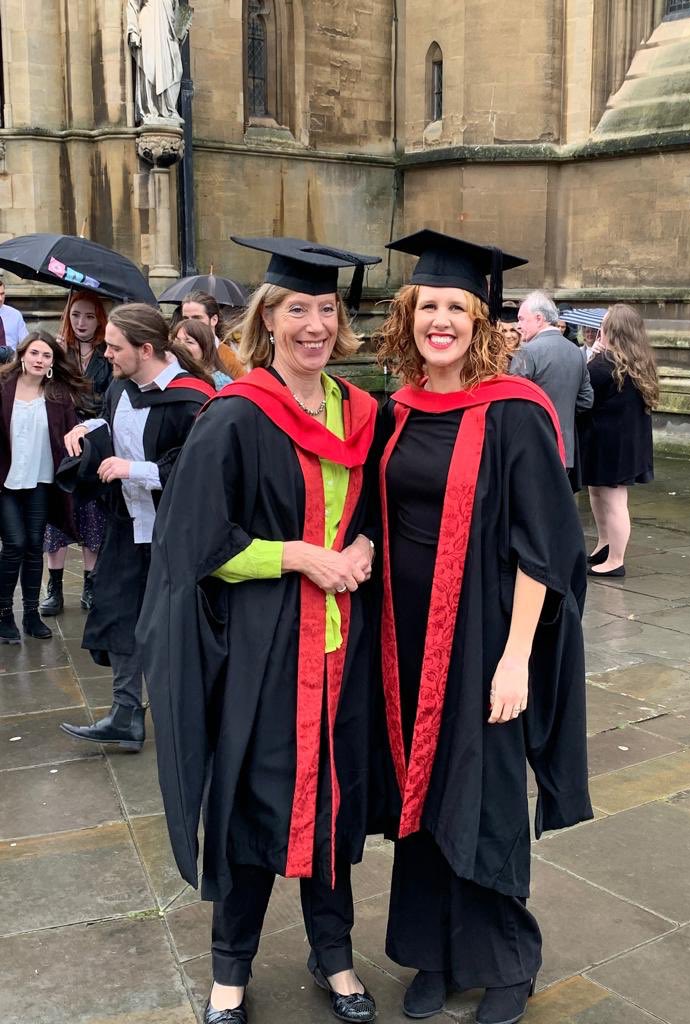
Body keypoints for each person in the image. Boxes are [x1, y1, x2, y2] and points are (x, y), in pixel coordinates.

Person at [137, 238, 382, 1024]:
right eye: (296, 310)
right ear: (268, 320)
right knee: (253, 808)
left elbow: (374, 513)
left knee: (335, 809)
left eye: (325, 309)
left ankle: (334, 954)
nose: (314, 325)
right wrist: (302, 555)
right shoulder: (237, 417)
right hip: (267, 650)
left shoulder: (358, 412)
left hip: (343, 650)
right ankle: (229, 972)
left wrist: (362, 549)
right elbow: (196, 544)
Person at [373, 230, 591, 1024]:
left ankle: (506, 961)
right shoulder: (397, 408)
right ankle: (436, 955)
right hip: (406, 641)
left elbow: (544, 546)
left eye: (455, 308)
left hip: (484, 636)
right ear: (410, 315)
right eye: (427, 305)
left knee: (486, 791)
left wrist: (516, 659)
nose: (440, 320)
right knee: (421, 795)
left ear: (481, 320)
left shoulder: (515, 411)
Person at [58, 304, 215, 752]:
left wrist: (135, 469)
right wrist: (86, 428)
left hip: (174, 533)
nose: (105, 354)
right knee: (120, 615)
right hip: (127, 526)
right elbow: (115, 422)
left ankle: (191, 717)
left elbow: (198, 468)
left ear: (146, 349)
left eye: (114, 346)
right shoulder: (122, 389)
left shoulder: (192, 399)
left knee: (175, 629)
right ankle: (126, 715)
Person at [0, 331, 89, 643]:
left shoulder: (58, 394)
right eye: (35, 353)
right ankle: (4, 614)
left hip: (41, 481)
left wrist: (80, 428)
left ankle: (32, 614)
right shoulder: (3, 387)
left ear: (53, 362)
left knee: (34, 545)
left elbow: (71, 429)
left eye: (46, 355)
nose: (39, 360)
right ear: (23, 355)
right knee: (14, 544)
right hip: (6, 483)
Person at [41, 291, 113, 616]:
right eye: (75, 316)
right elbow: (46, 389)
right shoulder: (60, 352)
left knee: (92, 510)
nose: (81, 323)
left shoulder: (107, 354)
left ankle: (91, 583)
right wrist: (51, 360)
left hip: (93, 440)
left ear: (99, 319)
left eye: (88, 316)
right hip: (61, 439)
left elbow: (110, 398)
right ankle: (53, 586)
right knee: (58, 510)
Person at [579, 304, 659, 578]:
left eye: (604, 324)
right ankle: (604, 544)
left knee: (613, 499)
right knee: (599, 493)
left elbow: (584, 388)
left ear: (612, 330)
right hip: (622, 441)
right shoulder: (639, 361)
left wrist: (592, 356)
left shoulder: (606, 363)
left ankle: (615, 560)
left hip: (609, 443)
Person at [510, 290, 594, 476]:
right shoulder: (577, 352)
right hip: (565, 449)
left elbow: (512, 403)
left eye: (522, 319)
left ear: (539, 318)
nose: (518, 325)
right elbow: (586, 400)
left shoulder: (527, 352)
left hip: (530, 447)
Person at [126, 0, 187, 123]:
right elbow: (133, 4)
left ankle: (170, 110)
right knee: (151, 66)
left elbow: (177, 9)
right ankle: (151, 110)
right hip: (150, 23)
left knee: (175, 69)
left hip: (169, 29)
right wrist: (133, 30)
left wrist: (183, 25)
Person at [180, 291, 246, 380]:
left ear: (214, 320)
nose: (190, 323)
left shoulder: (231, 359)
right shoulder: (175, 354)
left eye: (197, 318)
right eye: (185, 319)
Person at [171, 318, 233, 390]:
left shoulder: (220, 383)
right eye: (177, 341)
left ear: (205, 348)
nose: (180, 346)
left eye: (189, 342)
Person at [0, 280, 29, 351]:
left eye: (2, 294)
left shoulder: (15, 315)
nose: (0, 299)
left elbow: (26, 343)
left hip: (11, 360)